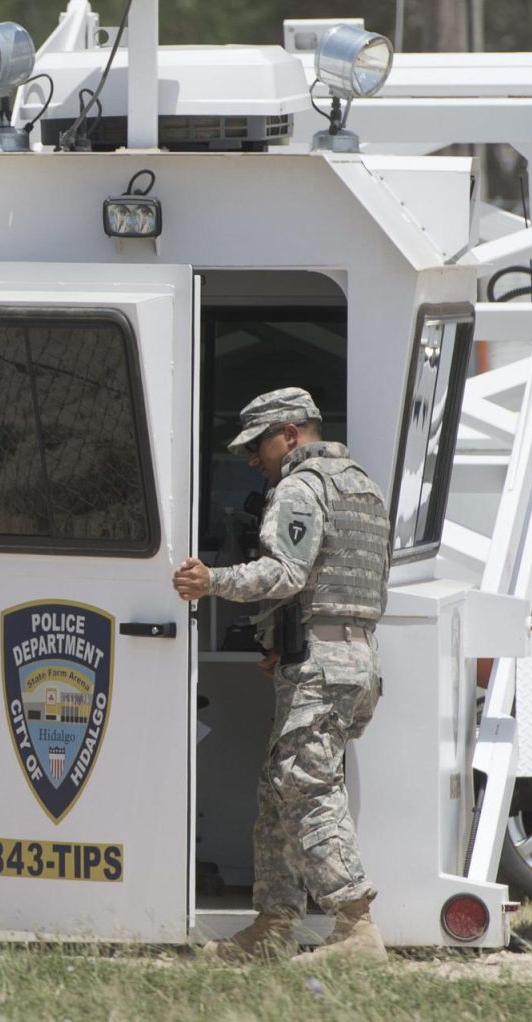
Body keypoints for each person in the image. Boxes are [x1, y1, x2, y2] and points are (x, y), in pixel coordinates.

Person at [173, 387, 390, 963]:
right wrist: (284, 640)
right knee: (280, 790)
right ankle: (272, 926)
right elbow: (345, 584)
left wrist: (211, 581)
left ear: (291, 434)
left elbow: (286, 572)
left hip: (321, 667)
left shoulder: (300, 486)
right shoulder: (362, 487)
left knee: (308, 788)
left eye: (257, 446)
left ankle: (355, 926)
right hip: (353, 660)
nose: (252, 460)